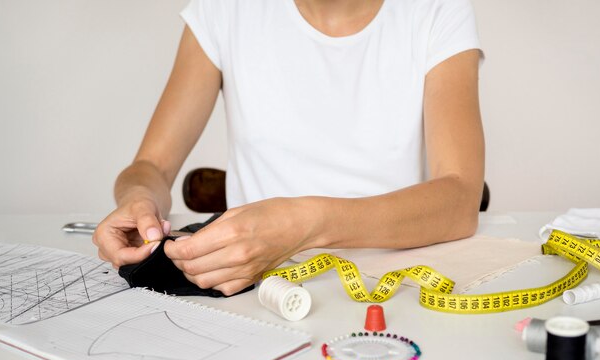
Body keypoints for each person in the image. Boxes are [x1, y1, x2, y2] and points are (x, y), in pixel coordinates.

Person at [93, 0, 486, 296]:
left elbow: (461, 199)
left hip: (396, 287)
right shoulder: (224, 9)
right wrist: (139, 197)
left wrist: (307, 224)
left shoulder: (437, 9)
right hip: (255, 289)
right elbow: (151, 166)